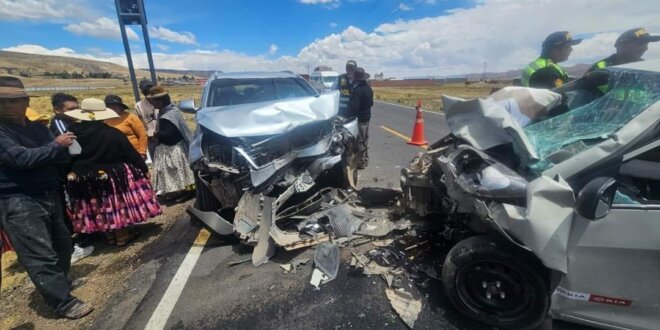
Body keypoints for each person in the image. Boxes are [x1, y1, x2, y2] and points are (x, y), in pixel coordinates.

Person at [0, 76, 93, 319]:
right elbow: (20, 159)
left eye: (13, 101)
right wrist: (55, 147)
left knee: (62, 245)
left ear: (25, 101)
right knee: (40, 254)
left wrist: (52, 152)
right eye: (2, 102)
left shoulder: (38, 129)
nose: (7, 106)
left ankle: (61, 284)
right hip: (18, 199)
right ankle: (62, 302)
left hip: (49, 193)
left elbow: (56, 157)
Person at [64, 98, 161, 246]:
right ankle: (121, 236)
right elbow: (130, 154)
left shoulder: (71, 134)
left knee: (98, 205)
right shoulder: (112, 133)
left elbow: (67, 156)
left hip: (84, 177)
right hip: (111, 175)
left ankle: (109, 236)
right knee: (114, 204)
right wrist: (143, 168)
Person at [146, 86, 195, 200]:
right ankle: (180, 192)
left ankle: (184, 192)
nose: (152, 103)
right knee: (178, 172)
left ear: (160, 101)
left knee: (176, 172)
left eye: (153, 101)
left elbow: (170, 135)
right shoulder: (169, 112)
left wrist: (155, 134)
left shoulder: (168, 115)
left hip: (173, 149)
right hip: (172, 147)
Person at [587, 28, 660, 73]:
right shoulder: (600, 68)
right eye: (640, 43)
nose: (645, 48)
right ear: (622, 45)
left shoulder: (647, 68)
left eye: (646, 44)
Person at [346, 67, 373, 170]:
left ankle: (361, 162)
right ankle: (365, 159)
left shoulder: (358, 91)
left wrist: (347, 115)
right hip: (366, 118)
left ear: (356, 79)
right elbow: (371, 103)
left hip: (359, 119)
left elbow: (354, 107)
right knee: (365, 139)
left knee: (359, 141)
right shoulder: (368, 89)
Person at [134, 80, 159, 157]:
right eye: (145, 89)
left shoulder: (160, 101)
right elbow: (141, 124)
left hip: (164, 137)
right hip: (151, 139)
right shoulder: (138, 106)